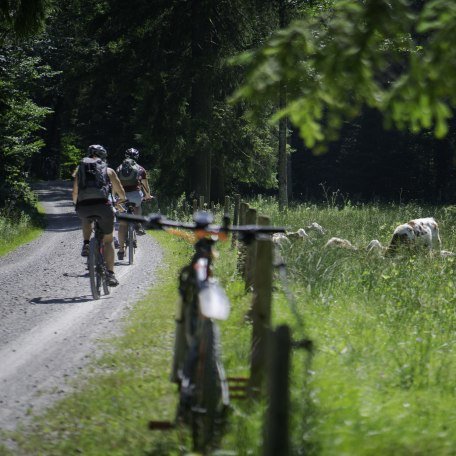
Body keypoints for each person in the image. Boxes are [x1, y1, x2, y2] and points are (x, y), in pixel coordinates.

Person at [72, 144, 126, 286]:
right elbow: (120, 191)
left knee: (86, 219)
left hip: (84, 207)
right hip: (103, 207)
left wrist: (77, 205)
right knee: (108, 241)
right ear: (103, 157)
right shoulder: (108, 171)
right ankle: (110, 274)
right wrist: (121, 199)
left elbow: (75, 193)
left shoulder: (80, 170)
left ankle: (86, 244)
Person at [116, 147, 152, 260]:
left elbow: (115, 185)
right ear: (136, 157)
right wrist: (148, 196)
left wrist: (115, 198)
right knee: (138, 205)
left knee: (122, 225)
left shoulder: (118, 168)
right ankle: (138, 223)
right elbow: (145, 186)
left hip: (122, 197)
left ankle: (121, 250)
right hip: (135, 195)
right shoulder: (140, 169)